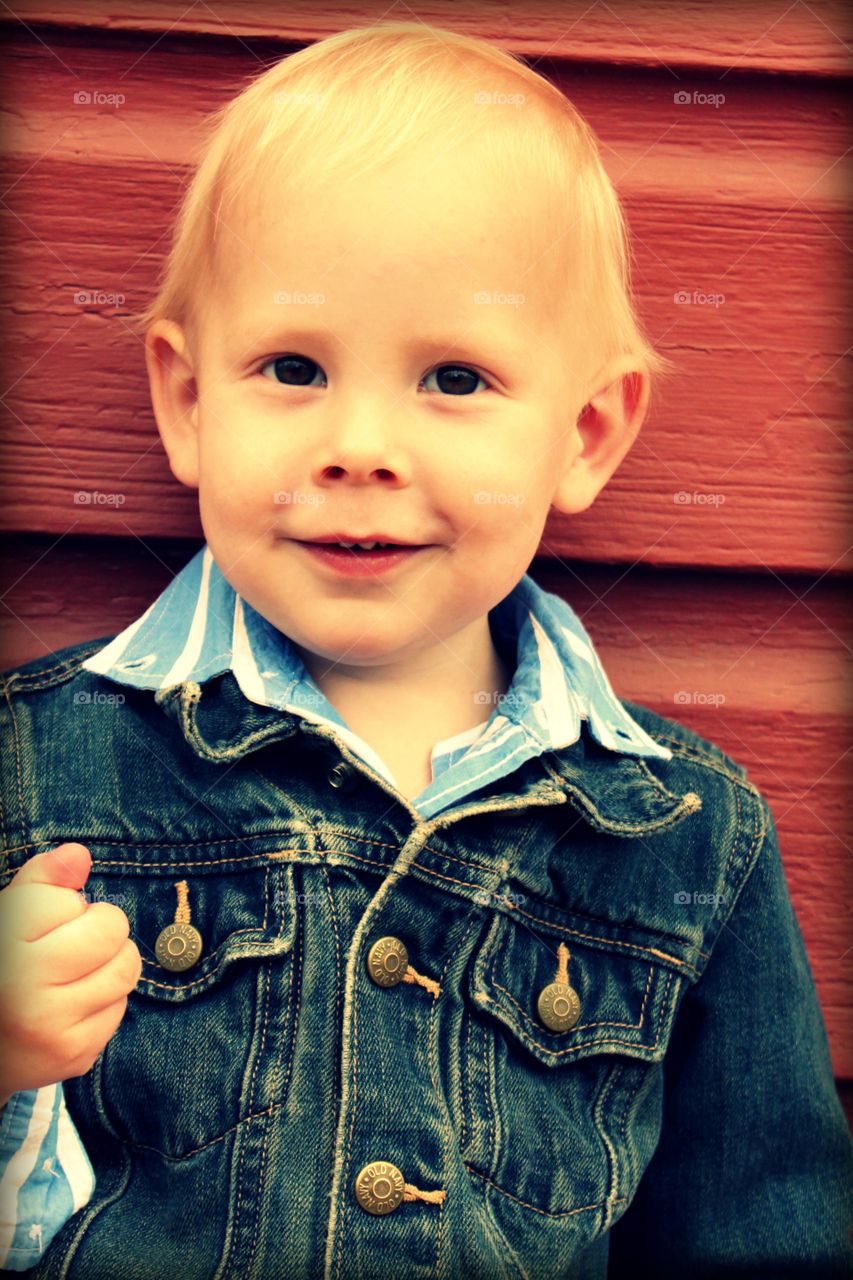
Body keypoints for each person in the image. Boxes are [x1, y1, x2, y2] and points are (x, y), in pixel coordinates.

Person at [0, 20, 851, 1280]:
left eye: (453, 377)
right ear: (187, 401)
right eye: (292, 366)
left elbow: (764, 1236)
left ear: (586, 431)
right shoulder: (35, 763)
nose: (361, 445)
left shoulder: (681, 838)